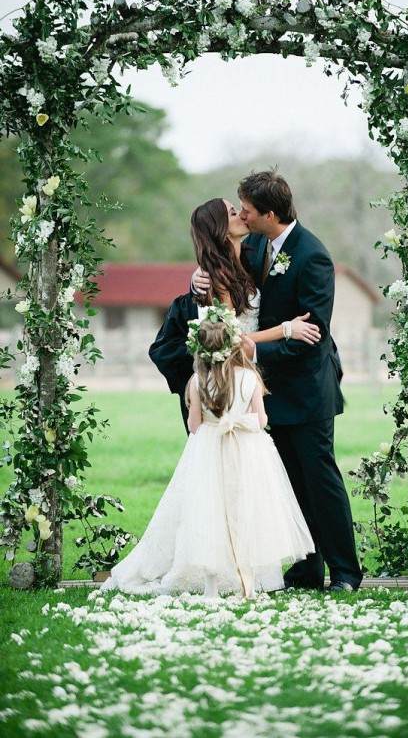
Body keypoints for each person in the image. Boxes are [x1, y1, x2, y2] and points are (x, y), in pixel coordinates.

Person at [190, 170, 363, 593]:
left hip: (306, 389)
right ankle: (306, 569)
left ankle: (345, 572)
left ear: (269, 213)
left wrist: (250, 349)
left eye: (247, 209)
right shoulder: (254, 245)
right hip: (264, 392)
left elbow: (313, 333)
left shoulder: (312, 256)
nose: (242, 215)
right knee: (289, 484)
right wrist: (194, 279)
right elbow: (223, 275)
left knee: (320, 480)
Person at [102, 305, 315, 598]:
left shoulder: (196, 382)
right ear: (234, 344)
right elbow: (263, 419)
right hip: (247, 452)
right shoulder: (250, 379)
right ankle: (249, 582)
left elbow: (194, 426)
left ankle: (210, 587)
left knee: (208, 514)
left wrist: (217, 421)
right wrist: (241, 422)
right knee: (247, 511)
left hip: (209, 453)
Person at [149, 197, 321, 430]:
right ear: (220, 229)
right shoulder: (217, 277)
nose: (241, 215)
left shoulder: (245, 261)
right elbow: (231, 339)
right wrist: (287, 329)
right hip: (232, 379)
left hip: (248, 372)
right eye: (232, 213)